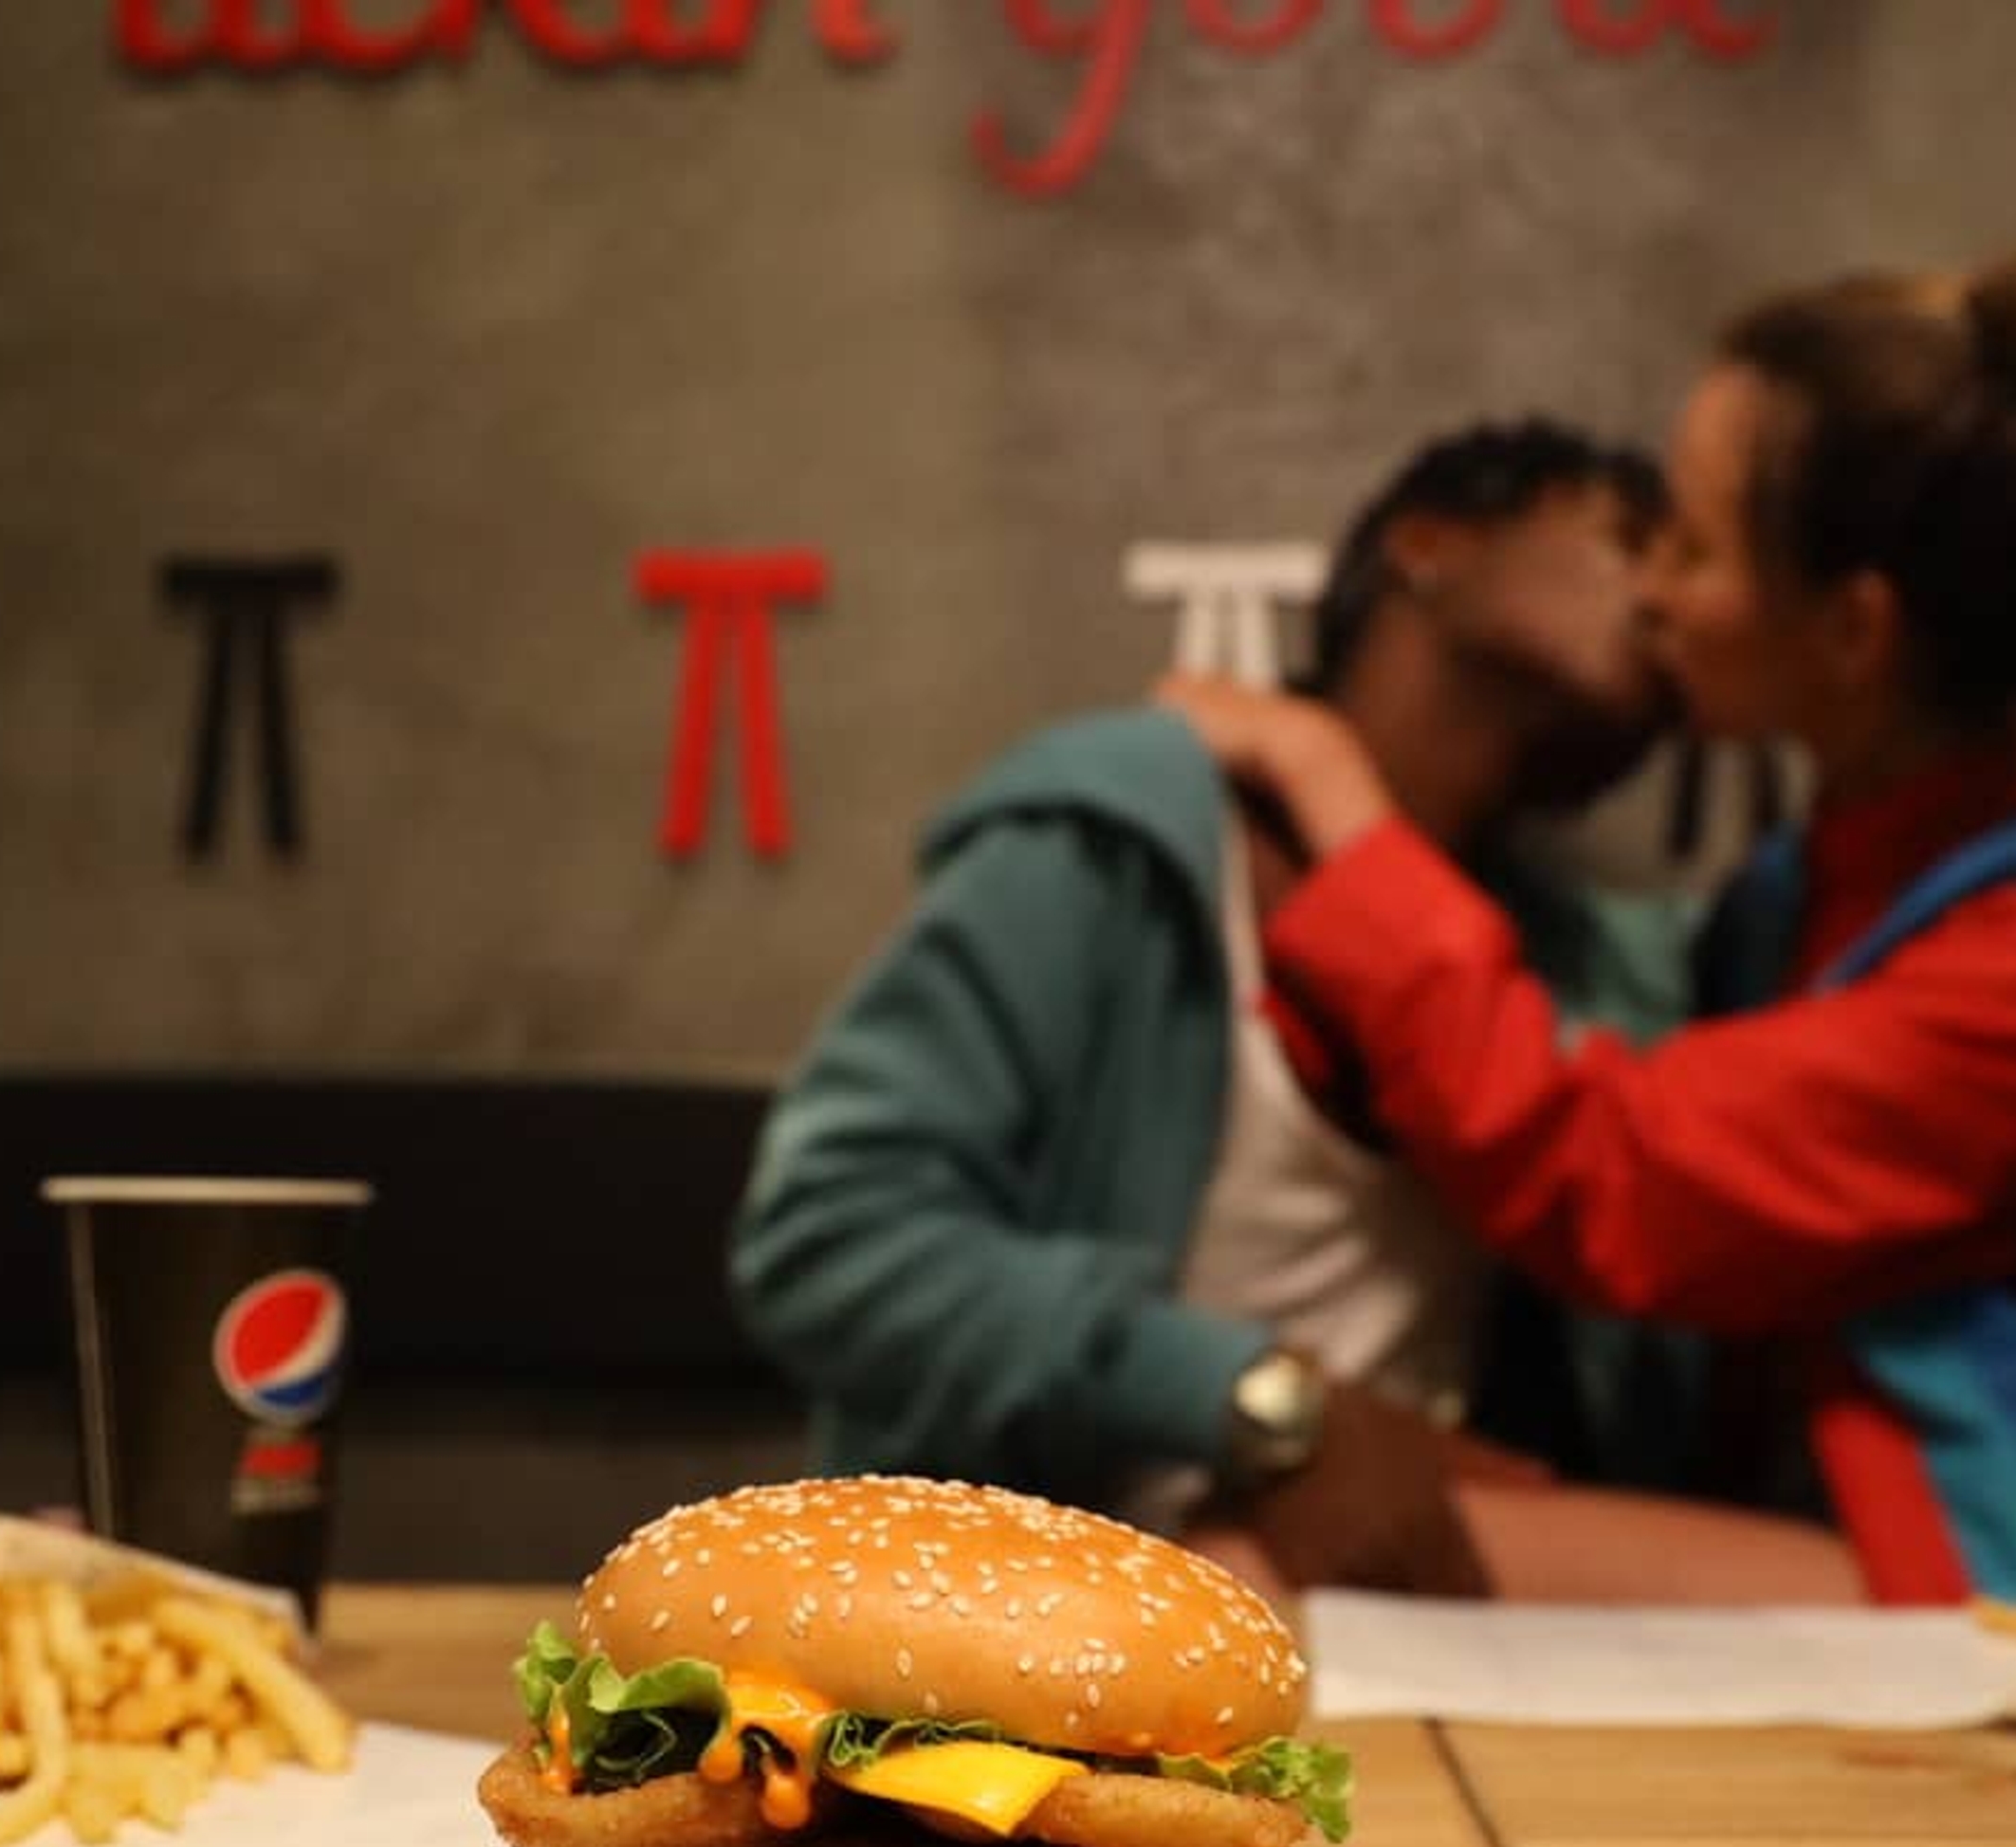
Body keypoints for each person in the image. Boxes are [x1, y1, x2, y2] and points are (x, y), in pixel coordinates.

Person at [1156, 241, 2016, 1609]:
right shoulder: (1800, 883)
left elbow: (1622, 1176)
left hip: (2007, 1565)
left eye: (1693, 548)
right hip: (1809, 1517)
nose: (1649, 591)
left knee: (1258, 1573)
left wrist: (1331, 784)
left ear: (1853, 631)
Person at [735, 420, 1865, 1600]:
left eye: (1697, 564)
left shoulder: (1587, 963)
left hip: (1396, 1586)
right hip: (1046, 1578)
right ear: (1432, 545)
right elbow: (828, 1236)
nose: (1665, 600)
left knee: (1846, 1605)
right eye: (1629, 537)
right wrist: (1257, 1403)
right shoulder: (1123, 842)